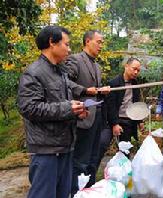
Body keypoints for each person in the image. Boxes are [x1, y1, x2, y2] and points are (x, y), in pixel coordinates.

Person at [17, 26, 88, 198]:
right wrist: (67, 108)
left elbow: (61, 105)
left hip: (64, 146)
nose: (69, 49)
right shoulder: (34, 73)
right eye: (66, 44)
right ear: (52, 42)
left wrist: (76, 111)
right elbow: (29, 108)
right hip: (46, 150)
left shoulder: (60, 73)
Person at [63, 30, 111, 195]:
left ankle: (89, 191)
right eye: (99, 42)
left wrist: (100, 91)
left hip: (97, 117)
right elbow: (64, 83)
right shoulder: (75, 60)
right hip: (83, 118)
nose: (101, 45)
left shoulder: (97, 66)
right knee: (80, 160)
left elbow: (94, 90)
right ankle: (76, 192)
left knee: (93, 159)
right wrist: (85, 90)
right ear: (88, 41)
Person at [107, 57, 144, 147]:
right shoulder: (114, 83)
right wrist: (115, 124)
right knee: (104, 145)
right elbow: (110, 106)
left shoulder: (135, 84)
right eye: (134, 69)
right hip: (118, 120)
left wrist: (140, 121)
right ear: (126, 66)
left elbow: (136, 102)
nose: (136, 72)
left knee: (125, 149)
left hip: (129, 120)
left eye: (138, 70)